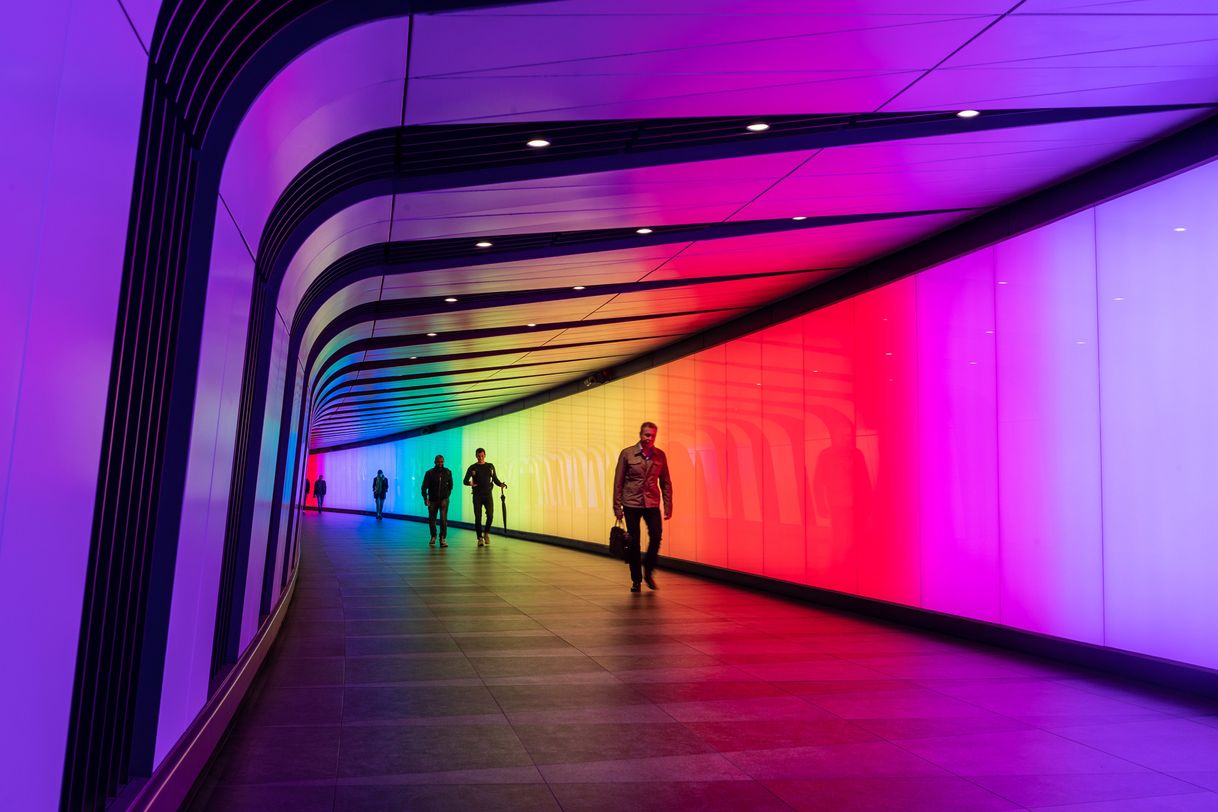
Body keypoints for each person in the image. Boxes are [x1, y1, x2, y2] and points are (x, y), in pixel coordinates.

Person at [613, 421, 673, 593]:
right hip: (631, 502)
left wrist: (668, 504)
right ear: (640, 434)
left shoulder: (660, 455)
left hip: (652, 502)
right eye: (647, 435)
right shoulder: (627, 454)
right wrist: (617, 507)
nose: (650, 438)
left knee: (656, 536)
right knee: (634, 542)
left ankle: (648, 572)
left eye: (653, 435)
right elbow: (618, 482)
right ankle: (636, 580)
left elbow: (666, 482)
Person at [463, 448, 506, 546]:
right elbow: (465, 481)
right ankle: (479, 538)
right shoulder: (472, 467)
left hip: (488, 495)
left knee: (490, 515)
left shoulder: (490, 466)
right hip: (477, 496)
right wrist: (470, 483)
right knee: (478, 517)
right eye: (478, 456)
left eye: (482, 456)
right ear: (476, 456)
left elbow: (495, 479)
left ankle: (486, 533)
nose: (480, 458)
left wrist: (501, 484)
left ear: (485, 455)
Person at [421, 455, 453, 547]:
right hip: (432, 500)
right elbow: (424, 487)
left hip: (444, 499)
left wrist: (447, 496)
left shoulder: (448, 472)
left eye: (442, 461)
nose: (440, 463)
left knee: (443, 520)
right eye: (438, 462)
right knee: (432, 520)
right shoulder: (429, 473)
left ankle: (442, 538)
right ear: (434, 462)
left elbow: (451, 486)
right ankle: (433, 536)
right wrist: (425, 498)